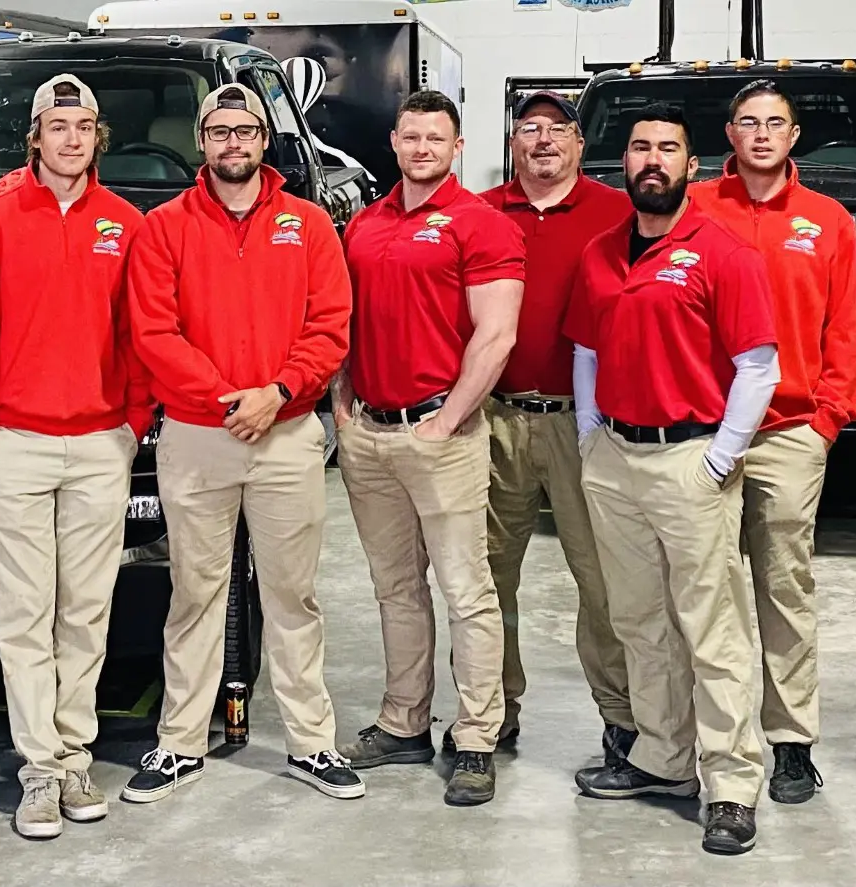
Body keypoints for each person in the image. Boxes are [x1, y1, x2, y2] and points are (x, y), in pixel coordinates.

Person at [124, 83, 359, 803]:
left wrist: (279, 393)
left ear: (265, 140)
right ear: (203, 141)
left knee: (294, 596)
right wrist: (229, 398)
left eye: (246, 130)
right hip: (199, 435)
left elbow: (331, 325)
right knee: (195, 592)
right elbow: (154, 332)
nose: (234, 142)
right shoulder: (163, 227)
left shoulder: (309, 223)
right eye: (220, 131)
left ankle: (311, 742)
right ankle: (178, 742)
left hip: (286, 434)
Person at [0, 74, 154, 839]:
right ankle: (38, 769)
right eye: (56, 125)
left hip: (101, 444)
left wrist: (132, 422)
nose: (71, 138)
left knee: (85, 612)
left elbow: (139, 332)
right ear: (34, 137)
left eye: (84, 125)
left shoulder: (125, 224)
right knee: (24, 614)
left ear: (99, 136)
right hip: (16, 445)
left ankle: (74, 757)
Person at [565, 103, 778, 855]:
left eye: (667, 149)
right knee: (639, 620)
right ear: (622, 164)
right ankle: (662, 758)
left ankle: (729, 782)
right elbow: (585, 353)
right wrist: (592, 437)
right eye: (639, 148)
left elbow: (758, 367)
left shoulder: (723, 252)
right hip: (617, 459)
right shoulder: (599, 253)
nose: (652, 159)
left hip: (690, 458)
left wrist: (720, 457)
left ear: (693, 165)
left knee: (712, 628)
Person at [330, 90, 525, 808]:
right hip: (370, 435)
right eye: (410, 136)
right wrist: (343, 399)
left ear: (457, 146)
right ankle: (405, 720)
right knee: (395, 589)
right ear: (394, 140)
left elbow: (496, 334)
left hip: (441, 435)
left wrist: (447, 421)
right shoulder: (367, 223)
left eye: (434, 138)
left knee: (467, 591)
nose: (421, 148)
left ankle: (476, 735)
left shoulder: (481, 224)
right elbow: (347, 317)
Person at [688, 79, 856, 805]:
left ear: (794, 137)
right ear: (729, 134)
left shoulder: (827, 220)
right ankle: (708, 738)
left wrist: (826, 421)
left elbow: (845, 330)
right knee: (704, 592)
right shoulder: (694, 207)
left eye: (776, 124)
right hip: (703, 431)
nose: (761, 134)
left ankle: (791, 741)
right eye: (748, 122)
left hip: (789, 432)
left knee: (783, 589)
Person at [478, 90, 636, 765]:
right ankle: (492, 712)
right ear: (513, 143)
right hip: (493, 420)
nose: (543, 140)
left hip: (587, 425)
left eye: (558, 129)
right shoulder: (480, 214)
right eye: (530, 128)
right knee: (485, 580)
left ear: (579, 143)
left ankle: (623, 718)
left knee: (603, 579)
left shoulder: (620, 213)